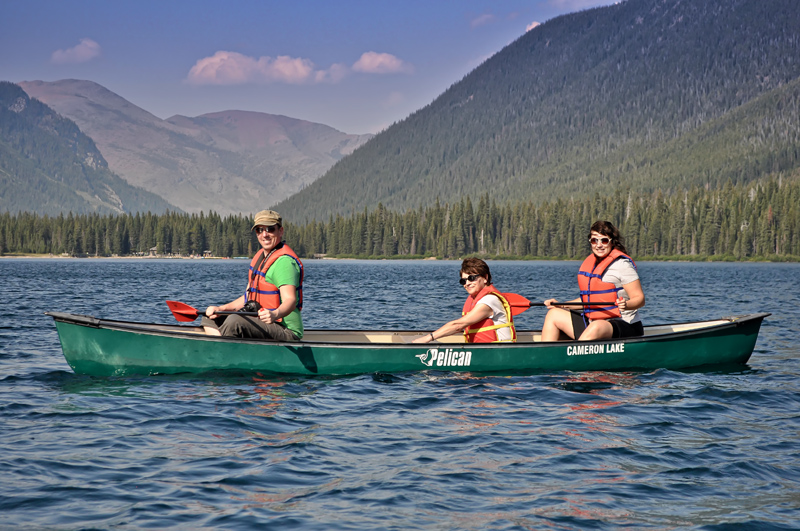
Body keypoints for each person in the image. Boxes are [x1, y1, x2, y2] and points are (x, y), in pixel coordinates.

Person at [202, 210, 303, 341]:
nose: (264, 234)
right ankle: (223, 349)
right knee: (210, 316)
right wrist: (221, 308)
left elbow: (290, 300)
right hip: (264, 323)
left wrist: (274, 314)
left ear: (281, 231)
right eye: (259, 230)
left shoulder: (284, 263)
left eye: (270, 229)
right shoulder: (260, 258)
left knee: (235, 322)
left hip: (286, 330)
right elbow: (247, 297)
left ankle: (224, 355)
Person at [541, 220, 644, 342]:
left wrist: (626, 305)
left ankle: (574, 359)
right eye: (595, 240)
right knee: (554, 314)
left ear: (612, 242)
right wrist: (561, 305)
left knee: (597, 326)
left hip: (625, 325)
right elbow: (590, 299)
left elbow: (639, 299)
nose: (599, 245)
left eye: (604, 240)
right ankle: (545, 357)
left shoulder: (622, 265)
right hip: (593, 324)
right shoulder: (592, 264)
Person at [413, 258, 516, 344]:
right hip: (481, 350)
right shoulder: (476, 299)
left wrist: (427, 338)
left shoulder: (489, 300)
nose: (467, 283)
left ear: (485, 278)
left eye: (471, 278)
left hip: (497, 352)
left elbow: (458, 325)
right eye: (463, 280)